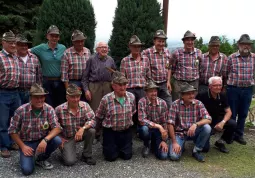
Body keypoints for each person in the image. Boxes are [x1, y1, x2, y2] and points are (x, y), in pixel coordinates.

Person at [8, 83, 62, 176]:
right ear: (31, 97)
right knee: (27, 170)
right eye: (36, 97)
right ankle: (30, 156)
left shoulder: (49, 109)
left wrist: (45, 140)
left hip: (42, 139)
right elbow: (12, 131)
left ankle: (41, 158)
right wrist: (22, 146)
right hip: (27, 142)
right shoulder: (21, 110)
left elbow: (57, 128)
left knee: (57, 140)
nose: (40, 100)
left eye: (42, 97)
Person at [95, 71, 136, 161]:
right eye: (120, 85)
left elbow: (133, 112)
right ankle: (108, 144)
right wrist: (97, 131)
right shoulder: (106, 99)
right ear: (113, 86)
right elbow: (99, 116)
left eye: (124, 84)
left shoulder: (131, 97)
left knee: (127, 156)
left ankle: (121, 146)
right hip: (111, 131)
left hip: (126, 131)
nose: (123, 87)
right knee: (111, 157)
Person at [81, 42, 116, 144]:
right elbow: (85, 77)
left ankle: (107, 133)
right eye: (102, 47)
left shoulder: (110, 60)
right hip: (94, 86)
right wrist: (86, 90)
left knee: (108, 110)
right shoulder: (91, 59)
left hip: (107, 86)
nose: (104, 49)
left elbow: (114, 74)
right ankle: (96, 134)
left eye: (106, 47)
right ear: (97, 49)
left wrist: (114, 86)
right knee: (95, 112)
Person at [168, 82, 211, 162]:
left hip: (194, 131)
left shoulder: (198, 103)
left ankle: (196, 150)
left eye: (193, 93)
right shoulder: (175, 104)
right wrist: (174, 142)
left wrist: (195, 124)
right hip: (180, 134)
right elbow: (170, 124)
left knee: (207, 127)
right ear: (182, 95)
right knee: (174, 156)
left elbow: (208, 119)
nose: (192, 96)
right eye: (188, 94)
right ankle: (181, 145)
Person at [224, 34, 255, 145]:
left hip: (247, 90)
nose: (246, 46)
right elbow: (225, 73)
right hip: (233, 89)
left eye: (248, 44)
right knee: (232, 113)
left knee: (243, 114)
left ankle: (239, 134)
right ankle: (230, 135)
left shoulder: (254, 57)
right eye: (243, 44)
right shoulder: (231, 58)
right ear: (239, 45)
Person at [55, 84, 96, 166]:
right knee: (69, 162)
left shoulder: (85, 105)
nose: (76, 99)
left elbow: (93, 120)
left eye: (78, 96)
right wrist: (59, 138)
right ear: (67, 97)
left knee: (91, 131)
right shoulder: (59, 109)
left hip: (80, 134)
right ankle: (64, 153)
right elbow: (53, 126)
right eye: (73, 97)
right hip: (67, 138)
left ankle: (86, 155)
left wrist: (83, 128)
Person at [196, 76, 236, 153]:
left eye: (220, 85)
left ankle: (220, 142)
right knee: (205, 149)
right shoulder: (201, 95)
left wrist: (222, 122)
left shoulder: (222, 95)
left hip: (217, 119)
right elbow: (195, 112)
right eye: (215, 85)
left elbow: (229, 112)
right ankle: (198, 138)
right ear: (210, 86)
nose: (218, 87)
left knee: (232, 123)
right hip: (205, 121)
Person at [31, 25, 66, 108]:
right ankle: (48, 121)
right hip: (46, 82)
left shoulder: (63, 48)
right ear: (47, 36)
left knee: (60, 104)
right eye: (52, 36)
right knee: (47, 105)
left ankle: (59, 121)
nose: (54, 38)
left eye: (56, 36)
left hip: (60, 81)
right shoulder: (41, 48)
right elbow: (27, 51)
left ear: (59, 38)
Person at [120, 35, 151, 125]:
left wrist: (148, 89)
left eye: (138, 46)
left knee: (142, 109)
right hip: (130, 89)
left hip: (142, 89)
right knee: (129, 109)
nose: (137, 48)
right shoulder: (125, 61)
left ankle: (140, 129)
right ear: (130, 47)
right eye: (134, 46)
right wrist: (123, 90)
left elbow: (149, 76)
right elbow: (122, 78)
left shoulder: (145, 59)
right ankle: (129, 127)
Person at [0, 31, 20, 158]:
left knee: (15, 120)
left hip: (16, 92)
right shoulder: (0, 57)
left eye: (14, 43)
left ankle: (12, 141)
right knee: (2, 122)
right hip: (3, 92)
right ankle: (3, 146)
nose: (13, 45)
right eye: (10, 43)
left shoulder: (16, 56)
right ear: (3, 43)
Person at [138, 80, 168, 159]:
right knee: (144, 129)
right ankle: (146, 145)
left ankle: (154, 143)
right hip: (148, 128)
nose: (153, 93)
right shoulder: (142, 102)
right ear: (146, 93)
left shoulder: (163, 103)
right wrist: (158, 126)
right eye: (151, 91)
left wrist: (164, 140)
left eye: (155, 91)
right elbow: (141, 120)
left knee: (163, 156)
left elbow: (165, 122)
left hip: (158, 131)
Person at [142, 29, 172, 107]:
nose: (161, 43)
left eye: (163, 41)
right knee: (152, 105)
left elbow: (169, 67)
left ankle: (168, 119)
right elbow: (143, 68)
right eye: (159, 41)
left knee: (169, 104)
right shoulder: (146, 52)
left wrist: (168, 81)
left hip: (164, 84)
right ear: (154, 41)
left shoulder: (167, 52)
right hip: (152, 84)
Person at [171, 30, 202, 101]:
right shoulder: (177, 53)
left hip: (194, 82)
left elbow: (199, 66)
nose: (190, 42)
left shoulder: (198, 52)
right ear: (184, 41)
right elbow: (172, 68)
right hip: (179, 83)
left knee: (193, 102)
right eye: (187, 40)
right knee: (178, 102)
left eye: (192, 40)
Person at [61, 30, 90, 101]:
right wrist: (68, 89)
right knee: (74, 103)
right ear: (73, 42)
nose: (80, 43)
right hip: (73, 82)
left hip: (86, 83)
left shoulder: (87, 51)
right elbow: (64, 74)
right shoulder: (67, 53)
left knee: (85, 104)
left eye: (82, 41)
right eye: (77, 41)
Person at [16, 34, 42, 104]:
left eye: (25, 45)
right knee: (18, 112)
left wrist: (38, 91)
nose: (24, 47)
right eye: (21, 45)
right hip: (16, 92)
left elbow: (38, 77)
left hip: (31, 92)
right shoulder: (13, 58)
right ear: (16, 46)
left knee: (30, 112)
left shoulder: (34, 58)